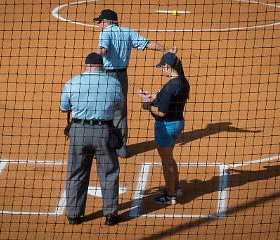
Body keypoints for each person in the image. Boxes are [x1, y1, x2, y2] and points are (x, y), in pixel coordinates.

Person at [93, 9, 177, 158]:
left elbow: (103, 50)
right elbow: (147, 44)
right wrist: (167, 49)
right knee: (120, 110)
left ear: (107, 22)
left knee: (102, 108)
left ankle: (102, 147)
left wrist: (94, 58)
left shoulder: (105, 32)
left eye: (100, 22)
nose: (99, 24)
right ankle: (121, 148)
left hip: (106, 76)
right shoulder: (127, 32)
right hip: (121, 77)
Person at [60, 52, 124, 226]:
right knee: (109, 173)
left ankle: (74, 215)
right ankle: (110, 215)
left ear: (86, 65)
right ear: (101, 66)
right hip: (104, 132)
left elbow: (64, 107)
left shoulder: (73, 82)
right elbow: (119, 105)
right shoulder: (113, 82)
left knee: (76, 173)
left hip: (79, 132)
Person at [139, 52, 190, 204]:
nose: (161, 69)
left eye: (162, 67)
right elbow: (165, 97)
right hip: (177, 123)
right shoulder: (182, 82)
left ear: (168, 67)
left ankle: (170, 194)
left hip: (166, 126)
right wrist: (152, 95)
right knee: (169, 157)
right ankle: (177, 186)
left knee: (166, 161)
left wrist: (147, 106)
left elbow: (161, 112)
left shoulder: (169, 86)